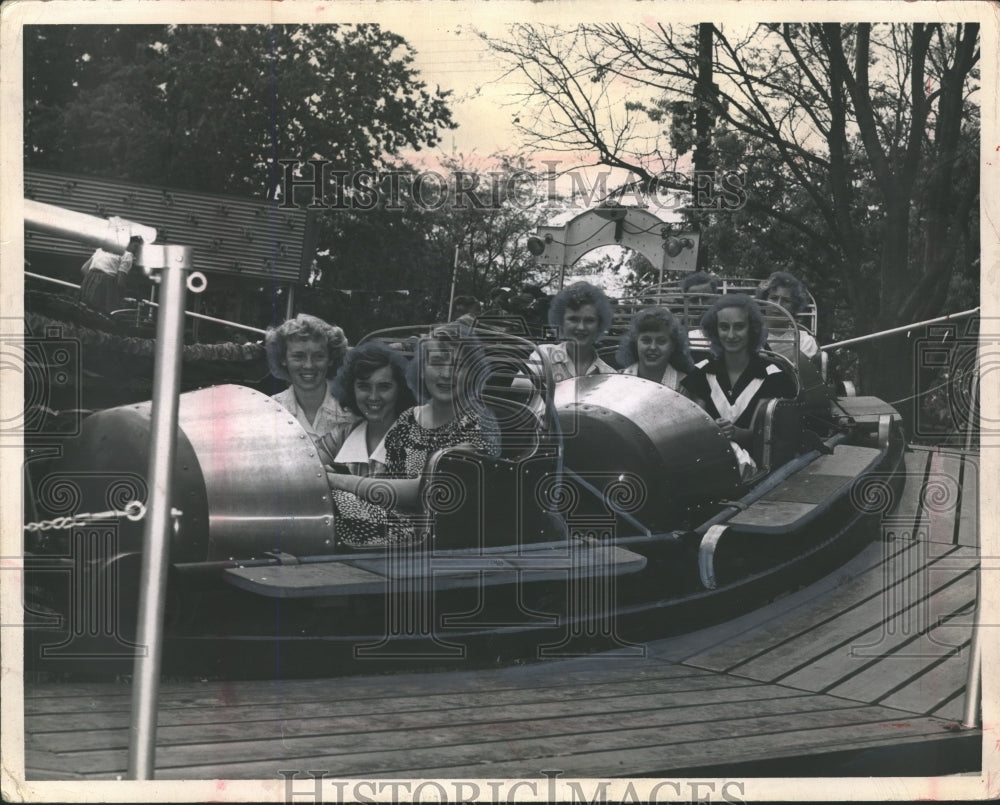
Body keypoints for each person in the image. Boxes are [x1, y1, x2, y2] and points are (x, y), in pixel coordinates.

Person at [326, 323, 501, 548]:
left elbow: (421, 490)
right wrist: (336, 476)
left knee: (326, 503)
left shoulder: (478, 423)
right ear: (422, 368)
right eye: (437, 362)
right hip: (388, 518)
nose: (447, 374)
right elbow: (389, 479)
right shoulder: (410, 417)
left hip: (433, 535)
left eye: (458, 365)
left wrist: (340, 481)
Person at [682, 294, 797, 477]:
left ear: (752, 329)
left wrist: (734, 432)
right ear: (715, 330)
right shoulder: (702, 372)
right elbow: (694, 426)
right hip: (705, 465)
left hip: (757, 473)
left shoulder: (772, 375)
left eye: (739, 327)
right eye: (724, 327)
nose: (731, 335)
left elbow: (763, 434)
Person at [319, 340, 415, 476]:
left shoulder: (415, 439)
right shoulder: (342, 435)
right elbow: (302, 466)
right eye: (364, 387)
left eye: (384, 387)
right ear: (351, 389)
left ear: (400, 389)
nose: (373, 397)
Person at [265, 313, 357, 448]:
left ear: (331, 359)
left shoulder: (355, 408)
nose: (309, 365)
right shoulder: (270, 409)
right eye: (298, 356)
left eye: (318, 356)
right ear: (283, 359)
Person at [518, 281, 616, 386]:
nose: (581, 327)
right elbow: (518, 386)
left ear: (599, 325)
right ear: (562, 322)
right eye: (573, 319)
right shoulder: (544, 355)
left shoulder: (609, 374)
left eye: (589, 320)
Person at [616, 307, 696, 392]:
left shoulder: (686, 386)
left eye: (661, 342)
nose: (653, 347)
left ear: (673, 346)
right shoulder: (617, 381)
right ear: (635, 343)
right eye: (646, 341)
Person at [755, 271, 820, 361]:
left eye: (786, 301)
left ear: (794, 306)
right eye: (773, 298)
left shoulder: (804, 341)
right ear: (764, 300)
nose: (778, 305)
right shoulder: (750, 337)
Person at [78, 236, 143, 314]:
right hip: (105, 285)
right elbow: (120, 282)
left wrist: (93, 281)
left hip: (88, 282)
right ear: (127, 244)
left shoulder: (102, 250)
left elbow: (84, 269)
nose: (135, 250)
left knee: (84, 312)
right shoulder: (128, 255)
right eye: (135, 246)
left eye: (138, 248)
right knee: (103, 316)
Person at [681, 271, 722, 350]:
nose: (700, 305)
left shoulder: (729, 327)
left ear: (716, 298)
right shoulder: (678, 328)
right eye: (694, 300)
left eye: (705, 298)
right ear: (685, 302)